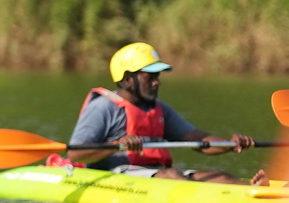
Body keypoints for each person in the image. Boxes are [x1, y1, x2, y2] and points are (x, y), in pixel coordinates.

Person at [58, 42, 263, 185]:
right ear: (128, 80)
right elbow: (76, 152)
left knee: (221, 177)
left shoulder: (159, 110)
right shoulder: (103, 107)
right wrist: (116, 145)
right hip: (117, 176)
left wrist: (230, 144)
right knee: (172, 176)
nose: (157, 82)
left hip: (158, 174)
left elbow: (198, 139)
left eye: (157, 76)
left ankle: (257, 191)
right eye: (150, 77)